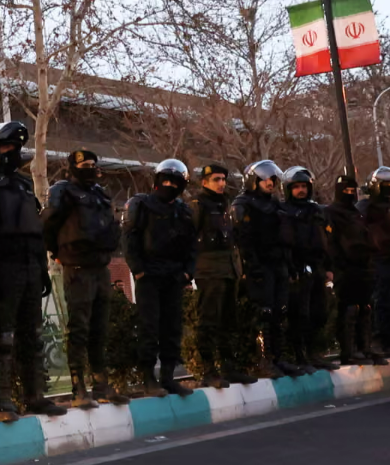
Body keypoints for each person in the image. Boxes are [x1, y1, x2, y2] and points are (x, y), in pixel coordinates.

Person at [0, 122, 66, 422]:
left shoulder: (23, 184)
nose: (12, 152)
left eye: (15, 147)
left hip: (30, 267)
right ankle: (1, 401)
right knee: (3, 337)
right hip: (3, 268)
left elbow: (34, 230)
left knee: (32, 335)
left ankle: (34, 397)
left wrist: (42, 268)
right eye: (6, 147)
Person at [42, 149, 127, 408]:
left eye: (92, 163)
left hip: (100, 267)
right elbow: (48, 224)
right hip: (77, 267)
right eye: (84, 164)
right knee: (79, 328)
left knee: (100, 328)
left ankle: (101, 384)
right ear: (73, 167)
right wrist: (56, 253)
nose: (90, 168)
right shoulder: (62, 191)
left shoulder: (100, 193)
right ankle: (78, 387)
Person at [122, 159, 196, 397]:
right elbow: (129, 239)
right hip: (149, 276)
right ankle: (148, 378)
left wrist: (187, 272)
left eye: (174, 182)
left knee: (172, 328)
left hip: (174, 276)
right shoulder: (141, 205)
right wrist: (139, 270)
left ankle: (168, 377)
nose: (169, 186)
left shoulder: (183, 211)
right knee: (149, 327)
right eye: (165, 181)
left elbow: (192, 246)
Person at [188, 164, 257, 388]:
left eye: (223, 179)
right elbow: (188, 239)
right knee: (208, 321)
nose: (221, 183)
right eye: (216, 179)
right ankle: (209, 370)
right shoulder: (198, 205)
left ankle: (229, 367)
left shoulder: (224, 204)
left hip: (228, 269)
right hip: (208, 270)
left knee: (228, 321)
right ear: (204, 182)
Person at [232, 160, 302, 378]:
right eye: (266, 180)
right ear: (254, 181)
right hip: (259, 266)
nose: (270, 183)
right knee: (264, 313)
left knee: (280, 311)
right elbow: (242, 239)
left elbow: (285, 238)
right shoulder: (243, 204)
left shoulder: (275, 205)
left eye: (273, 179)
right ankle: (264, 360)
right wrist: (251, 267)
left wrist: (289, 266)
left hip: (278, 264)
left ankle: (278, 358)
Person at [280, 166, 339, 372]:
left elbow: (328, 241)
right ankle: (300, 356)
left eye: (304, 186)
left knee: (320, 312)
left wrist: (328, 267)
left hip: (317, 267)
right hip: (297, 267)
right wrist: (291, 268)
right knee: (300, 315)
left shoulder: (317, 211)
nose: (301, 190)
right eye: (296, 187)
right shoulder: (284, 211)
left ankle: (314, 353)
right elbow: (285, 243)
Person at [356, 167, 390, 356]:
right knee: (380, 302)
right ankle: (379, 341)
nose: (388, 188)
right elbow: (359, 233)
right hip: (377, 261)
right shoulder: (365, 207)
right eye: (384, 184)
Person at [324, 176, 376, 366]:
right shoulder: (331, 213)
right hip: (345, 268)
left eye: (352, 190)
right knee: (348, 309)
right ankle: (349, 350)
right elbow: (331, 242)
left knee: (365, 307)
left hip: (363, 267)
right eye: (346, 190)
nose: (350, 194)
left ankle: (365, 347)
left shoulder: (356, 213)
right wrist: (336, 265)